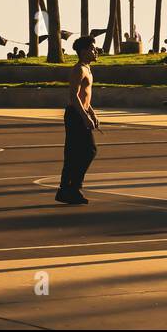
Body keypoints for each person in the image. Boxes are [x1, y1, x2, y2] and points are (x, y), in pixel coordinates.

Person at [57, 35, 100, 205]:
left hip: (80, 112)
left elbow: (84, 97)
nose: (96, 51)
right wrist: (84, 116)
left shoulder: (87, 68)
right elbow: (73, 96)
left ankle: (66, 189)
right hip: (75, 114)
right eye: (92, 48)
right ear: (83, 51)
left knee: (77, 152)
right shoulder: (79, 69)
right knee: (87, 151)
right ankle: (72, 188)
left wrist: (92, 113)